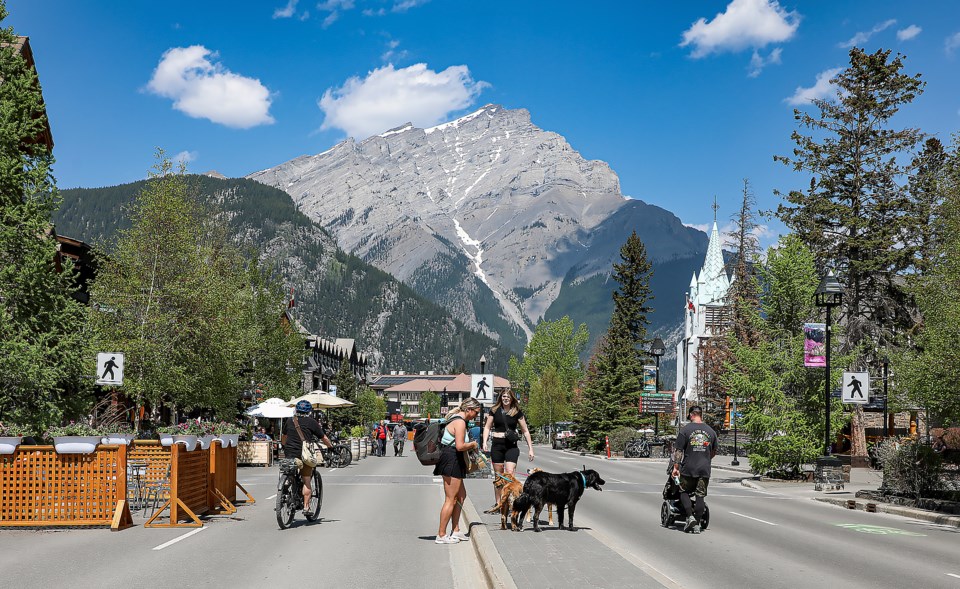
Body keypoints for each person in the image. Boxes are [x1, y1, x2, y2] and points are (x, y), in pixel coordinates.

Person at [435, 397, 482, 544]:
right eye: (476, 412)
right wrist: (473, 444)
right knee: (451, 499)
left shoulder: (458, 419)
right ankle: (441, 535)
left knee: (461, 496)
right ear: (468, 410)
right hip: (451, 459)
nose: (476, 415)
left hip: (454, 459)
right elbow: (460, 446)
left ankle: (455, 530)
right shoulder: (460, 422)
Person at [482, 388, 534, 507]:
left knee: (510, 473)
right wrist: (484, 442)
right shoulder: (494, 411)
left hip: (511, 446)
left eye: (508, 397)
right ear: (500, 398)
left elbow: (525, 431)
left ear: (512, 399)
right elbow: (487, 427)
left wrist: (530, 448)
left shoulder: (516, 412)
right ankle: (498, 503)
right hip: (497, 445)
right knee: (498, 475)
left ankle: (511, 502)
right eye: (504, 396)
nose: (505, 398)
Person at [281, 400, 333, 518]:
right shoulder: (312, 422)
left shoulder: (290, 421)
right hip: (304, 455)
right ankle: (306, 507)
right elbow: (323, 437)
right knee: (306, 480)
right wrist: (331, 447)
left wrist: (285, 446)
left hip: (290, 453)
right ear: (309, 411)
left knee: (289, 470)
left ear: (296, 410)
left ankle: (286, 485)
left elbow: (284, 438)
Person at [671, 405, 718, 534]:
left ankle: (689, 516)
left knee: (683, 491)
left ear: (692, 415)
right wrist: (705, 459)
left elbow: (678, 451)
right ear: (700, 414)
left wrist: (676, 467)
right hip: (704, 469)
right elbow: (714, 451)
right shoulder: (711, 431)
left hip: (688, 468)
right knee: (700, 496)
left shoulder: (685, 430)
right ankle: (697, 524)